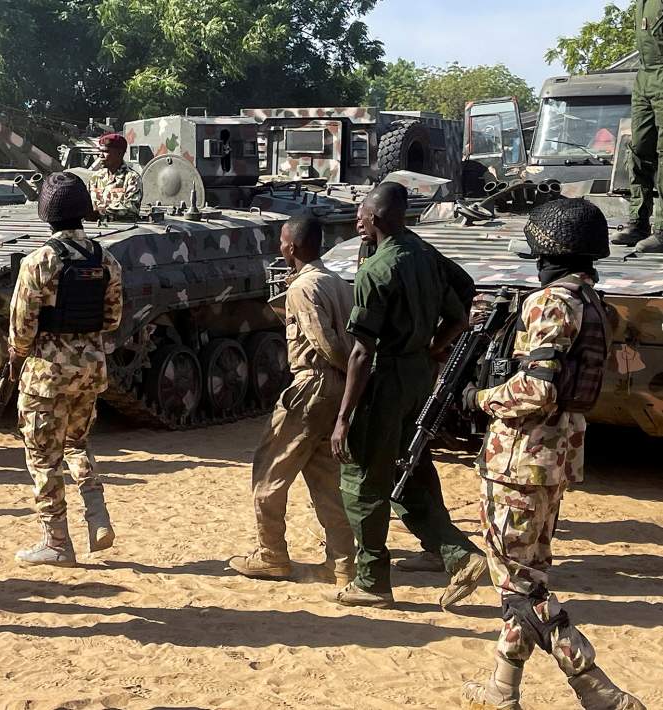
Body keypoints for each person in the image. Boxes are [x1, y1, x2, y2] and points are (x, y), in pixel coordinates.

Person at [461, 198, 645, 710]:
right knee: (528, 576)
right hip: (557, 458)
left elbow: (538, 390)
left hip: (519, 459)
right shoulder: (596, 305)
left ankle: (596, 687)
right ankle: (502, 689)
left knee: (521, 589)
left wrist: (480, 398)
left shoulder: (551, 302)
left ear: (550, 254)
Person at [328, 182, 487, 609]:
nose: (357, 220)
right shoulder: (423, 253)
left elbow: (362, 352)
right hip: (419, 374)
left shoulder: (376, 271)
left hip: (386, 380)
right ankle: (456, 554)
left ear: (376, 218)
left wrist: (343, 418)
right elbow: (462, 309)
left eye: (361, 214)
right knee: (408, 469)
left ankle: (372, 581)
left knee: (362, 480)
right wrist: (434, 348)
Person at [228, 215, 356, 586]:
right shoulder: (337, 282)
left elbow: (323, 341)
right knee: (325, 477)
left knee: (268, 471)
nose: (280, 247)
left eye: (282, 242)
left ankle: (271, 555)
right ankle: (342, 562)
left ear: (292, 247)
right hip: (336, 389)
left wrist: (339, 371)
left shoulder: (302, 288)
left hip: (313, 384)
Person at [10, 172, 123, 566]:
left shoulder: (38, 262)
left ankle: (57, 542)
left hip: (47, 375)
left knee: (43, 457)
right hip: (90, 370)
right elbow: (112, 319)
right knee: (77, 443)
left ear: (46, 214)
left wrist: (17, 358)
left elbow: (21, 328)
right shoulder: (106, 260)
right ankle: (97, 515)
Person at [614, 1, 663, 254]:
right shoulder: (642, 4)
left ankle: (662, 230)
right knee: (639, 149)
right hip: (644, 78)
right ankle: (638, 222)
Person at [87, 133, 142, 221]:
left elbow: (131, 208)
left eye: (105, 151)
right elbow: (86, 203)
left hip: (121, 227)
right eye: (100, 151)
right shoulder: (96, 177)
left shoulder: (131, 178)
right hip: (94, 226)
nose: (100, 155)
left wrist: (100, 213)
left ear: (119, 153)